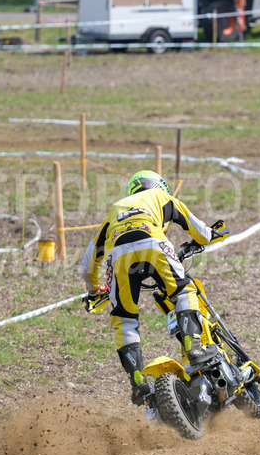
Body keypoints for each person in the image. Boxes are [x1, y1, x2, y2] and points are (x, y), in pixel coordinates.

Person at [80, 171, 228, 406]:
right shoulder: (162, 197)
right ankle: (193, 347)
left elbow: (87, 263)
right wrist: (213, 234)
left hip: (118, 256)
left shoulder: (114, 210)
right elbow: (197, 229)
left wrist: (94, 290)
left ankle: (137, 381)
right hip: (153, 243)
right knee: (183, 291)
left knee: (125, 319)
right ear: (160, 186)